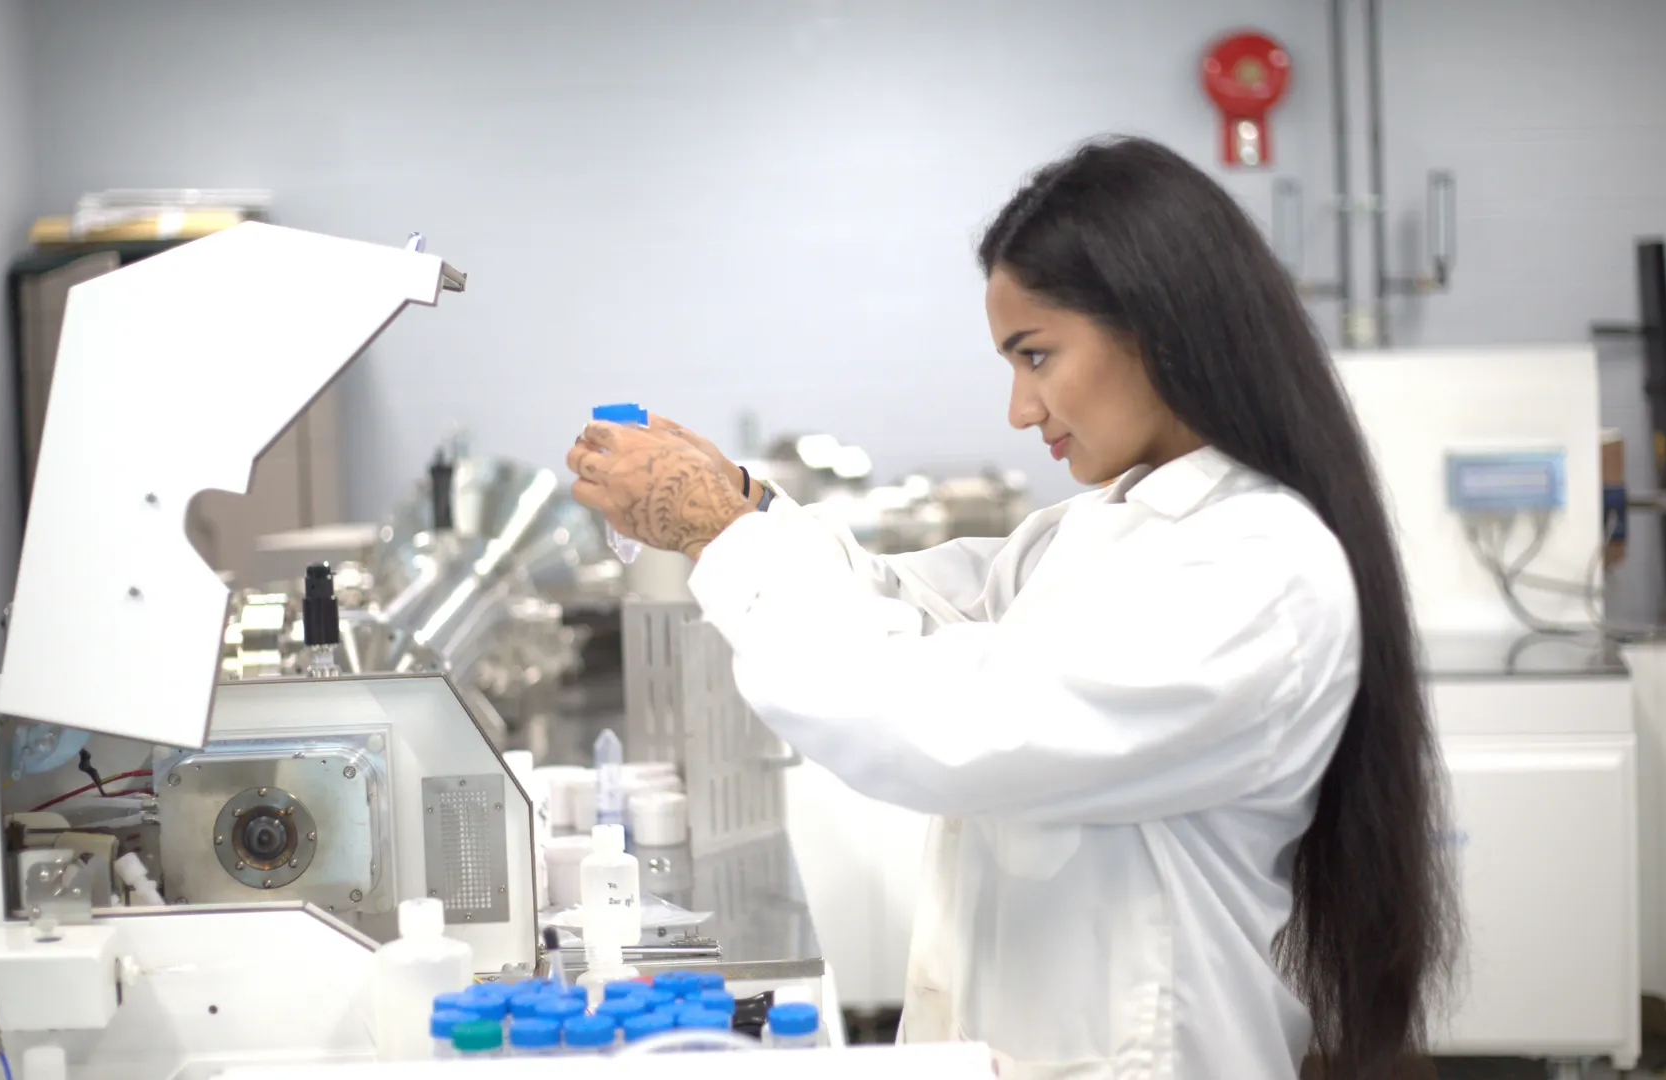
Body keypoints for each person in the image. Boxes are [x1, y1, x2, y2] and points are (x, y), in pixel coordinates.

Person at [566, 135, 1458, 1079]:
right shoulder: (1107, 530)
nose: (1020, 410)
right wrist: (742, 507)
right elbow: (905, 611)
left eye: (1036, 356)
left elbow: (933, 720)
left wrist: (723, 535)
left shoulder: (1256, 571)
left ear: (1163, 327)